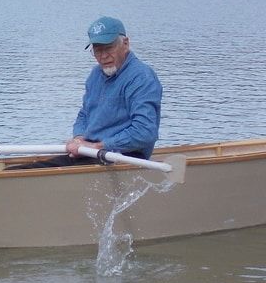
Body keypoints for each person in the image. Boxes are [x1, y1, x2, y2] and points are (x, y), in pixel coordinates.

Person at [10, 16, 162, 169]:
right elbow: (84, 114)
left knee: (22, 173)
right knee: (14, 170)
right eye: (97, 50)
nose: (103, 57)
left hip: (126, 156)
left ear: (126, 44)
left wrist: (98, 146)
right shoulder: (95, 75)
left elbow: (145, 131)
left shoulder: (141, 78)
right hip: (91, 153)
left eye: (108, 48)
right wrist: (79, 138)